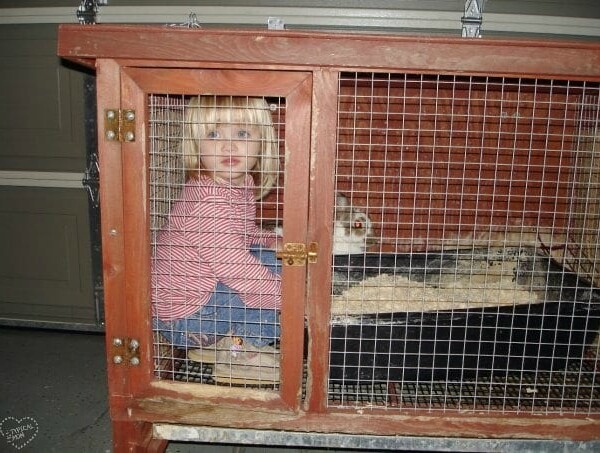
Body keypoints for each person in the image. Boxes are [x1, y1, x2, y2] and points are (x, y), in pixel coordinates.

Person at [151, 95, 282, 383]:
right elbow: (238, 270)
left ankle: (223, 345)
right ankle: (241, 353)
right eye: (213, 134)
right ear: (196, 144)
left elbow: (243, 235)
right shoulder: (209, 202)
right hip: (188, 321)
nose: (229, 145)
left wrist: (271, 240)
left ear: (263, 142)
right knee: (282, 276)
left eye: (243, 134)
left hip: (198, 307)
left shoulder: (236, 183)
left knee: (272, 261)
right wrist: (295, 298)